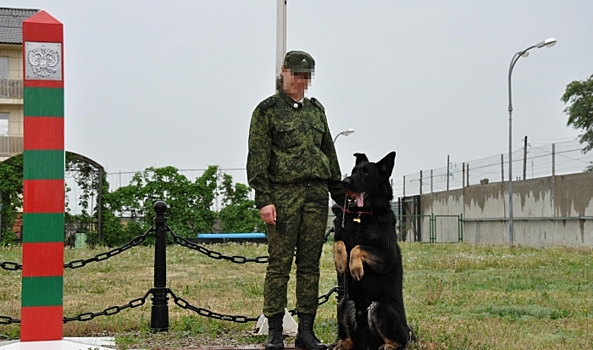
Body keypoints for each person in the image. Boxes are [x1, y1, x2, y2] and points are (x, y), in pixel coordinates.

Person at [247, 51, 344, 350]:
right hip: (283, 197)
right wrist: (264, 199)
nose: (301, 82)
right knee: (279, 265)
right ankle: (275, 332)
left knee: (310, 265)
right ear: (284, 72)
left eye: (306, 77)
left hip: (315, 196)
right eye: (296, 75)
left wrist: (339, 194)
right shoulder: (267, 111)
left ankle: (306, 331)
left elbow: (329, 152)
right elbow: (258, 158)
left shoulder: (317, 111)